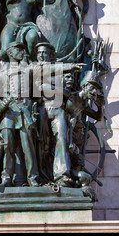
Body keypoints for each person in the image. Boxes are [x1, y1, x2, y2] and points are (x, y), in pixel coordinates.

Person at [0, 41, 40, 187]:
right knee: (7, 145)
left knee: (28, 146)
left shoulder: (28, 69)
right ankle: (6, 178)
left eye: (23, 49)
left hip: (24, 111)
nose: (22, 52)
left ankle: (33, 178)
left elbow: (48, 69)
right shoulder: (2, 71)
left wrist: (68, 67)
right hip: (8, 113)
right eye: (18, 49)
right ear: (10, 52)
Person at [34, 42, 83, 186]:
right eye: (39, 53)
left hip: (58, 109)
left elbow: (69, 94)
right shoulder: (36, 68)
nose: (42, 56)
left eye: (45, 53)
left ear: (51, 55)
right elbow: (40, 87)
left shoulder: (61, 73)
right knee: (41, 143)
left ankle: (61, 175)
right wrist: (60, 91)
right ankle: (40, 176)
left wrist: (72, 113)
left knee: (61, 140)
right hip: (41, 108)